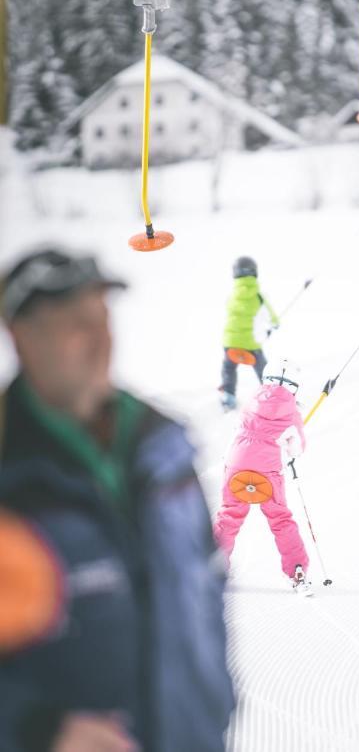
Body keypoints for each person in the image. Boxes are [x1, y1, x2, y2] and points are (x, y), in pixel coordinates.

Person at [0, 247, 235, 752]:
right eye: (76, 325)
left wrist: (216, 703)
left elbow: (203, 589)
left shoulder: (163, 446)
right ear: (21, 334)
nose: (102, 340)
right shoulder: (9, 474)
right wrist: (33, 729)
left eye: (103, 318)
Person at [214, 359, 311, 594]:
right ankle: (296, 569)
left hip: (236, 464)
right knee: (279, 518)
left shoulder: (251, 400)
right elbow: (297, 448)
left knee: (229, 515)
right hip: (267, 471)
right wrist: (292, 429)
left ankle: (213, 568)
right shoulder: (292, 413)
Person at [220, 256, 279, 411]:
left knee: (228, 368)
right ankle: (271, 396)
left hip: (230, 342)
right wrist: (273, 325)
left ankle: (228, 395)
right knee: (263, 369)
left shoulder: (232, 296)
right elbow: (272, 318)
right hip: (250, 344)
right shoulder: (258, 296)